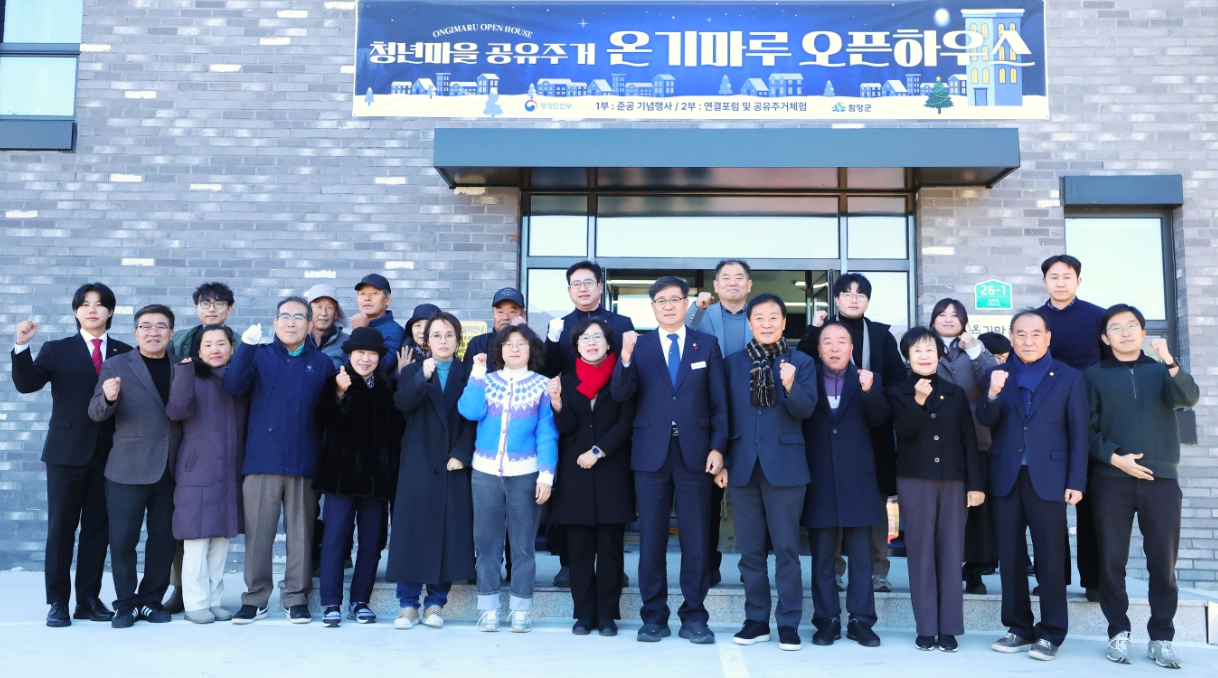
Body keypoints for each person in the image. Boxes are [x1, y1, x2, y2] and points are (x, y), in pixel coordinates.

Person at [611, 275, 728, 645]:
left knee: (696, 539)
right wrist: (624, 358)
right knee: (651, 540)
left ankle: (694, 616)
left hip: (697, 454)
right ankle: (653, 617)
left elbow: (719, 402)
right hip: (651, 454)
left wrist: (718, 447)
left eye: (675, 299)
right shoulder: (639, 346)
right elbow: (621, 394)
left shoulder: (706, 344)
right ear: (652, 307)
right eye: (661, 300)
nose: (668, 306)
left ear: (686, 303)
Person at [11, 283, 132, 627]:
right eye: (85, 304)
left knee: (97, 530)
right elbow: (26, 384)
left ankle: (88, 599)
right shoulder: (57, 349)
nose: (92, 310)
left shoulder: (125, 353)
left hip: (109, 454)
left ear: (110, 311)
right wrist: (22, 346)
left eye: (100, 304)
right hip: (65, 453)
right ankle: (58, 602)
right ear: (76, 311)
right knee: (61, 529)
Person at [1085, 304, 1199, 668]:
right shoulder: (1093, 376)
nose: (1125, 332)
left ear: (1143, 332)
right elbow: (1085, 428)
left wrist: (1169, 360)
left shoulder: (1162, 371)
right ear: (1105, 338)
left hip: (1161, 481)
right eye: (1116, 328)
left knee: (1163, 562)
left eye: (1131, 325)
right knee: (1111, 560)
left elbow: (1189, 397)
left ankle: (1162, 637)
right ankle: (1118, 631)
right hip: (1111, 481)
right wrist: (1114, 457)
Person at [977, 308, 1088, 661]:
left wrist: (1076, 480)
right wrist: (992, 394)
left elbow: (1079, 434)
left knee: (1050, 558)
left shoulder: (1069, 376)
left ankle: (1051, 632)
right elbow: (986, 420)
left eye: (1035, 334)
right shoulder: (998, 374)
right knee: (1010, 557)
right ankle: (1019, 628)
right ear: (1011, 338)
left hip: (1050, 478)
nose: (1028, 340)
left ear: (1048, 337)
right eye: (1021, 334)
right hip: (1006, 476)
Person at [223, 296, 337, 624]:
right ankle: (255, 597)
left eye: (299, 317)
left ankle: (296, 597)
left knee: (301, 534)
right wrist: (246, 346)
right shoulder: (259, 356)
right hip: (263, 459)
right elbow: (232, 386)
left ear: (310, 324)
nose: (291, 322)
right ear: (275, 323)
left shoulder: (322, 364)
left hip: (304, 461)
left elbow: (327, 414)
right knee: (258, 533)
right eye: (284, 316)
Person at [718, 294, 817, 651]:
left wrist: (791, 385)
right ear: (750, 323)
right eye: (759, 317)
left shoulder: (802, 362)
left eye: (774, 317)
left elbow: (806, 410)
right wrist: (722, 459)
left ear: (784, 323)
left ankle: (788, 623)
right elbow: (722, 415)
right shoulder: (732, 363)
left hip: (786, 467)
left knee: (787, 549)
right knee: (750, 551)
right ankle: (756, 621)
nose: (766, 323)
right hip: (743, 465)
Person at [796, 273, 904, 593]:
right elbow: (802, 366)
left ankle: (877, 569)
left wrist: (874, 396)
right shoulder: (823, 333)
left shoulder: (881, 335)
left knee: (874, 502)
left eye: (860, 294)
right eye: (847, 293)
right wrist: (813, 330)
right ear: (836, 299)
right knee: (831, 499)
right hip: (829, 433)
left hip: (873, 431)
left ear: (868, 301)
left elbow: (897, 382)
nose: (853, 299)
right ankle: (834, 570)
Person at [889, 326, 985, 652]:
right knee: (920, 555)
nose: (924, 355)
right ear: (907, 356)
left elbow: (968, 441)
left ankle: (949, 629)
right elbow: (904, 431)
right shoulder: (898, 392)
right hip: (914, 480)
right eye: (917, 350)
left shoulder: (955, 393)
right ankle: (926, 627)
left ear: (939, 354)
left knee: (951, 553)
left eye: (930, 349)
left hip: (954, 481)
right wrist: (917, 401)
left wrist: (975, 485)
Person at [458, 324, 558, 633]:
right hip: (485, 473)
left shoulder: (542, 385)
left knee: (523, 545)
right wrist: (476, 373)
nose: (514, 349)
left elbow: (546, 433)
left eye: (521, 344)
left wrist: (546, 475)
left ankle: (520, 609)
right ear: (499, 350)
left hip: (526, 475)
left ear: (532, 350)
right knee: (486, 543)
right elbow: (470, 411)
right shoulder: (486, 381)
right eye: (508, 344)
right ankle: (488, 608)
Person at [88, 305, 183, 628]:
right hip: (126, 469)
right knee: (123, 540)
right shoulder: (116, 365)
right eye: (146, 326)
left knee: (162, 541)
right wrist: (109, 397)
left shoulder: (182, 366)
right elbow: (95, 412)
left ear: (171, 333)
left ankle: (151, 600)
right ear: (135, 332)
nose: (153, 332)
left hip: (170, 468)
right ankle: (126, 603)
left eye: (161, 326)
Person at [543, 261, 636, 588]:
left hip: (610, 414)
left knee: (611, 504)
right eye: (576, 284)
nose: (582, 289)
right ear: (569, 290)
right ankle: (569, 565)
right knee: (573, 506)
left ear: (600, 286)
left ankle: (612, 569)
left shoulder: (621, 323)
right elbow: (549, 369)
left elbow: (628, 369)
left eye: (588, 282)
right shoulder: (560, 325)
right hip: (574, 418)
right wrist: (551, 341)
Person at [802, 321, 889, 648]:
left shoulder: (867, 378)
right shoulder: (807, 377)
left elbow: (880, 418)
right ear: (819, 348)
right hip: (819, 478)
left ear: (852, 348)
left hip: (858, 479)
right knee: (822, 558)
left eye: (842, 341)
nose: (835, 347)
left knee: (861, 558)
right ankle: (826, 620)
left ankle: (861, 621)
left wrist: (869, 391)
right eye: (828, 342)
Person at [548, 318, 637, 637]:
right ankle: (584, 614)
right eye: (584, 339)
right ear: (576, 347)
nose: (591, 343)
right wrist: (557, 403)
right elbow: (568, 427)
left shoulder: (622, 377)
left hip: (611, 472)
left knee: (611, 550)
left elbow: (626, 423)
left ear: (609, 344)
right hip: (575, 474)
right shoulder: (566, 380)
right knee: (579, 551)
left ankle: (607, 615)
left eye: (597, 337)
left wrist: (598, 451)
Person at [388, 312, 476, 630]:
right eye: (436, 335)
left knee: (447, 534)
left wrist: (462, 453)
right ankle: (408, 605)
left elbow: (474, 418)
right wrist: (421, 378)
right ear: (426, 340)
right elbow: (402, 404)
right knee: (412, 532)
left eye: (449, 335)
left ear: (458, 339)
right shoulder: (414, 370)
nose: (443, 341)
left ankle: (436, 603)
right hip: (419, 461)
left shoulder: (469, 373)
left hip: (453, 463)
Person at [314, 327, 402, 627]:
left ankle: (360, 601)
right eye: (360, 353)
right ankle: (330, 603)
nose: (365, 359)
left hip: (376, 480)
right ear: (350, 355)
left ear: (379, 357)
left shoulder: (388, 387)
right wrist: (338, 393)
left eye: (372, 354)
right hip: (341, 477)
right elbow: (322, 420)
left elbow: (396, 432)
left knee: (372, 543)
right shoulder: (336, 381)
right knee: (335, 540)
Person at [165, 326, 248, 624]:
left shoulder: (237, 382)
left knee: (221, 539)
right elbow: (176, 411)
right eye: (208, 344)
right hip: (198, 468)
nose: (215, 349)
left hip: (229, 470)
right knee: (197, 539)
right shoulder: (191, 376)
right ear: (198, 351)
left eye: (221, 343)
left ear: (231, 349)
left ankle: (214, 600)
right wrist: (184, 374)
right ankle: (195, 603)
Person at [1038, 254, 1107, 601]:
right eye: (1054, 277)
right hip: (1047, 423)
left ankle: (1094, 580)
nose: (1060, 282)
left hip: (1090, 420)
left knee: (1090, 503)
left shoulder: (1097, 317)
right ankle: (1054, 578)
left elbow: (1109, 367)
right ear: (1044, 282)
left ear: (1078, 281)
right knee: (1049, 506)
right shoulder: (1036, 321)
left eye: (1067, 276)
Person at [686, 258, 754, 586]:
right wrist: (695, 308)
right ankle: (708, 567)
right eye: (725, 277)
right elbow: (679, 329)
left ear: (749, 284)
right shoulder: (702, 315)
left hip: (750, 412)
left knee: (750, 495)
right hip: (710, 412)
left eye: (739, 277)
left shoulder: (761, 316)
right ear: (715, 285)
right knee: (708, 497)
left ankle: (751, 567)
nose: (732, 282)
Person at [929, 299, 999, 596]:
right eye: (942, 314)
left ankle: (974, 570)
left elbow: (992, 382)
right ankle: (940, 569)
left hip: (977, 436)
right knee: (941, 507)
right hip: (937, 439)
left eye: (954, 315)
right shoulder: (924, 345)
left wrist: (974, 351)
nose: (948, 319)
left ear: (964, 320)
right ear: (933, 319)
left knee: (977, 507)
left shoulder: (976, 348)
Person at [462, 287, 527, 373]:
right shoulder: (478, 344)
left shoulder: (532, 345)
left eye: (512, 312)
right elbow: (469, 379)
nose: (505, 317)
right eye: (500, 312)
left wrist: (523, 333)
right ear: (493, 315)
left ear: (523, 315)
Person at [348, 274, 404, 369]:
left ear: (387, 299)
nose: (367, 298)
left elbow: (379, 367)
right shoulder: (362, 324)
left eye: (374, 293)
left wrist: (360, 332)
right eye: (362, 293)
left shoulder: (395, 331)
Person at [169, 282, 235, 358]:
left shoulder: (241, 344)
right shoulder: (177, 340)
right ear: (197, 309)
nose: (211, 309)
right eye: (205, 304)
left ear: (229, 309)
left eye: (219, 304)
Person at [306, 283, 350, 369]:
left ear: (336, 313)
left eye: (329, 307)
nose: (323, 313)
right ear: (309, 311)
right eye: (318, 307)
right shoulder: (298, 340)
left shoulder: (348, 342)